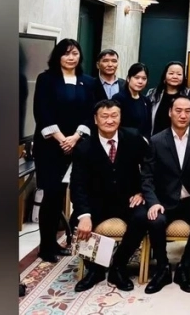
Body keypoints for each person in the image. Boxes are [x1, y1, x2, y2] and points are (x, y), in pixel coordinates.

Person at [70, 100, 150, 292]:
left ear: (120, 117)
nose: (110, 120)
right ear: (95, 120)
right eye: (104, 116)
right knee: (76, 222)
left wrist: (141, 191)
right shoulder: (84, 147)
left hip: (128, 199)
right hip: (97, 202)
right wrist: (84, 215)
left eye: (114, 115)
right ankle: (95, 270)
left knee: (142, 218)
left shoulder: (133, 137)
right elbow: (77, 185)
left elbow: (150, 166)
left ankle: (118, 266)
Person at [142, 96, 190, 294]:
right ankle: (162, 269)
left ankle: (185, 267)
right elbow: (147, 177)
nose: (183, 115)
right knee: (155, 221)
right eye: (178, 110)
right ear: (170, 112)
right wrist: (153, 202)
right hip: (164, 199)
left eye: (187, 111)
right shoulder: (157, 140)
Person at [32, 38, 95, 262]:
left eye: (75, 53)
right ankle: (46, 246)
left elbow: (92, 113)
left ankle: (62, 243)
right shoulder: (46, 79)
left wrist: (75, 138)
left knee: (73, 193)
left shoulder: (89, 82)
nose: (71, 57)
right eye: (66, 53)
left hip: (78, 145)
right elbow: (42, 112)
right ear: (58, 56)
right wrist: (62, 139)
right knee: (51, 197)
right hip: (50, 147)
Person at [146, 61, 188, 136]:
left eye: (179, 74)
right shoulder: (153, 93)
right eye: (171, 73)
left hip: (180, 139)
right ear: (165, 75)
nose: (175, 76)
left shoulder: (188, 94)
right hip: (156, 138)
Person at [112, 63, 152, 140]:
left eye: (144, 78)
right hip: (123, 141)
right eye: (137, 78)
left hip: (142, 143)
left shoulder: (146, 100)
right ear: (128, 78)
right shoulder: (118, 98)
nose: (140, 81)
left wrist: (146, 139)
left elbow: (148, 126)